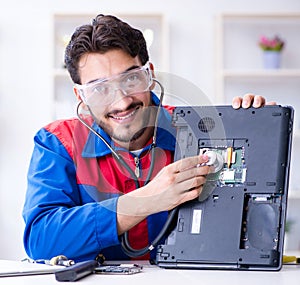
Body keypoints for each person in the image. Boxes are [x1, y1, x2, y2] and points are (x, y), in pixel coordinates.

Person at [22, 14, 273, 263]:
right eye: (99, 88)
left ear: (149, 75)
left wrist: (258, 132)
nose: (121, 101)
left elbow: (255, 227)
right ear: (81, 96)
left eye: (131, 78)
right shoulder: (57, 143)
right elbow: (40, 240)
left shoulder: (200, 130)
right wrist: (146, 200)